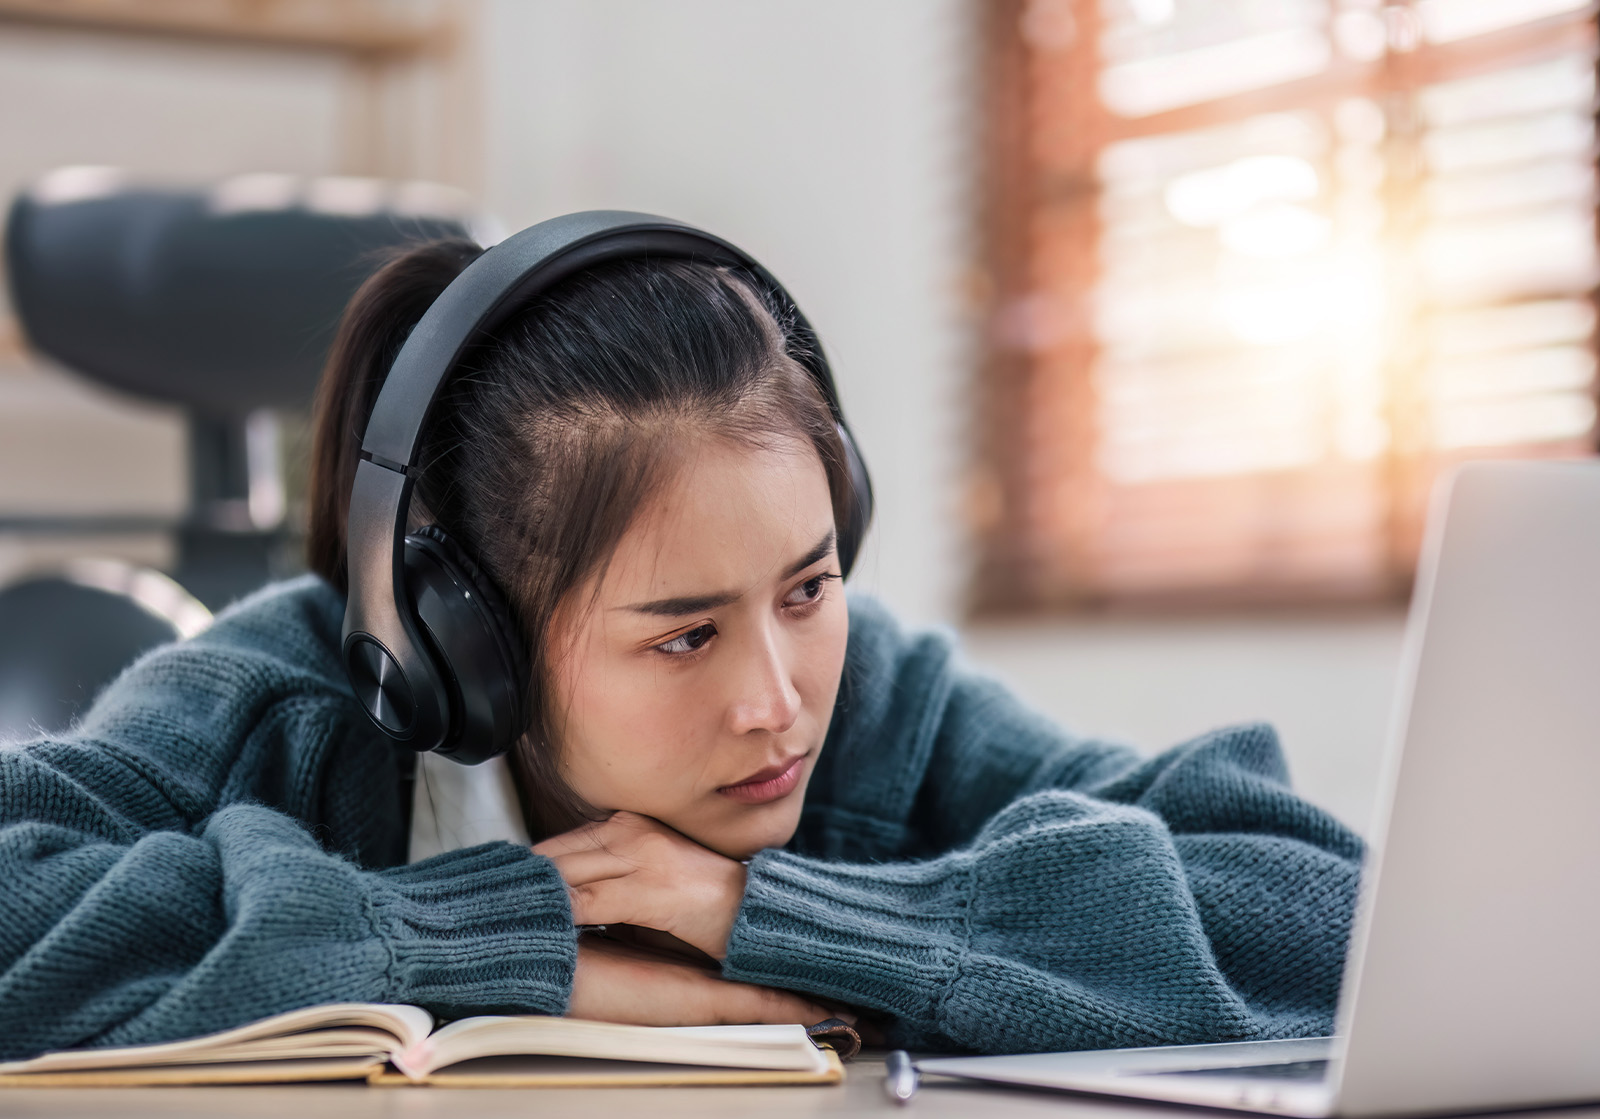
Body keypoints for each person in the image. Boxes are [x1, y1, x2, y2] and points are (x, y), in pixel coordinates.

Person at [0, 226, 1363, 1062]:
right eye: (684, 635)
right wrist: (490, 941)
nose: (779, 702)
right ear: (465, 638)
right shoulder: (287, 696)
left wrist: (775, 914)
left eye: (809, 587)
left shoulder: (877, 695)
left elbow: (1326, 913)